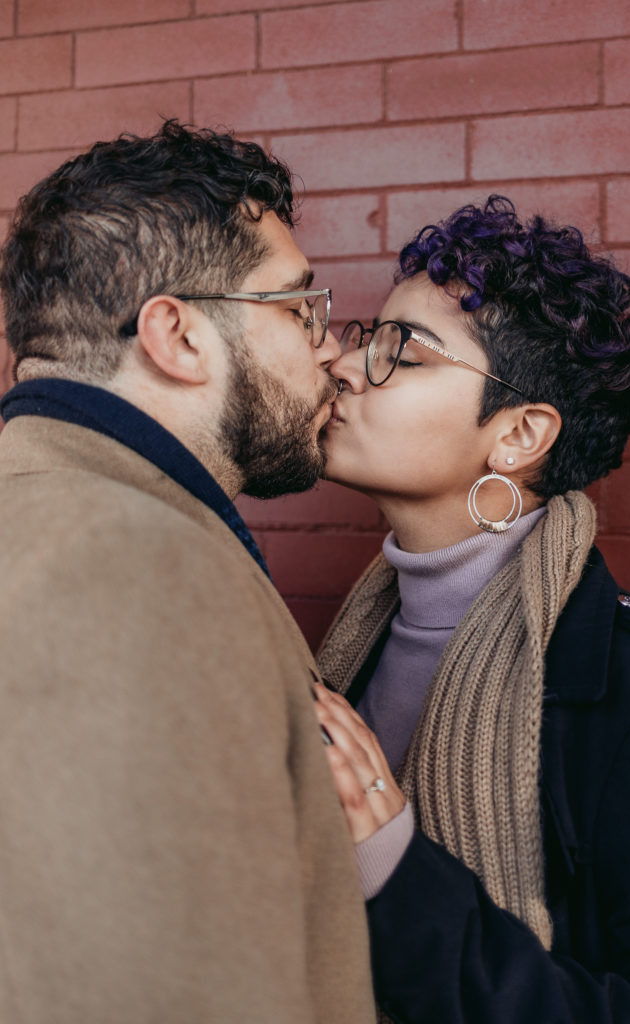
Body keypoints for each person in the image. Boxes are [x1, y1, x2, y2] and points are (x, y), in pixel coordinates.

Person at [0, 121, 375, 1023]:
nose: (329, 349)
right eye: (298, 310)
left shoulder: (49, 509)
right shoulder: (131, 564)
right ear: (177, 335)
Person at [313, 196, 630, 1023]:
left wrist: (394, 875)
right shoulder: (350, 642)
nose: (348, 367)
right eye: (369, 336)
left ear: (518, 434)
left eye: (406, 354)